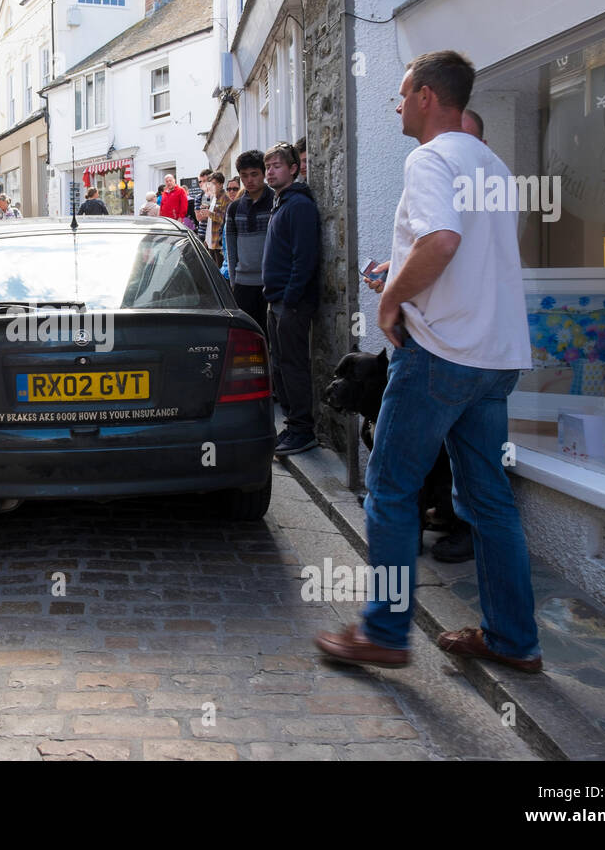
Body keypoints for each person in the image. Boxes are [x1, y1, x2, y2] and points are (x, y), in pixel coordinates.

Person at [314, 50, 539, 673]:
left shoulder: (430, 157)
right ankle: (513, 641)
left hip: (441, 354)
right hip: (495, 359)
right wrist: (403, 266)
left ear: (427, 97)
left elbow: (443, 240)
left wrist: (390, 299)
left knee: (390, 489)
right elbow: (467, 253)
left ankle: (385, 632)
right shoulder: (491, 165)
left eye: (403, 91)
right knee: (489, 500)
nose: (396, 104)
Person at [262, 142, 321, 456]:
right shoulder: (281, 202)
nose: (270, 171)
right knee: (281, 366)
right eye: (268, 166)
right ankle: (291, 426)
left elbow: (304, 258)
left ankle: (302, 429)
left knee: (294, 366)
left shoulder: (298, 205)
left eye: (277, 166)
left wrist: (290, 299)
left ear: (294, 168)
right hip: (277, 300)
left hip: (292, 303)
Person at [225, 150, 275, 331]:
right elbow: (231, 248)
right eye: (244, 176)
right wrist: (233, 281)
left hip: (270, 283)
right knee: (247, 336)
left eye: (254, 174)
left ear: (264, 174)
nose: (249, 180)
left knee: (271, 336)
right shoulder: (234, 208)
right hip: (243, 285)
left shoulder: (276, 202)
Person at [220, 175, 240, 278]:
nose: (231, 191)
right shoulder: (229, 207)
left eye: (235, 189)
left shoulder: (242, 208)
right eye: (229, 189)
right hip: (227, 262)